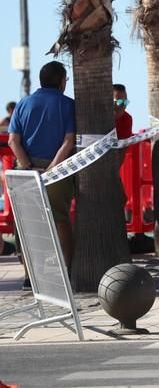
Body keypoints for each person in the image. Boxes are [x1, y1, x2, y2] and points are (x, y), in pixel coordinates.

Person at [8, 61, 76, 289]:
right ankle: (66, 270)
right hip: (55, 170)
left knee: (26, 223)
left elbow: (12, 141)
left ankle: (30, 276)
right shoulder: (67, 105)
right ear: (60, 81)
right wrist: (52, 170)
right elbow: (68, 141)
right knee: (60, 220)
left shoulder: (24, 103)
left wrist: (27, 167)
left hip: (24, 171)